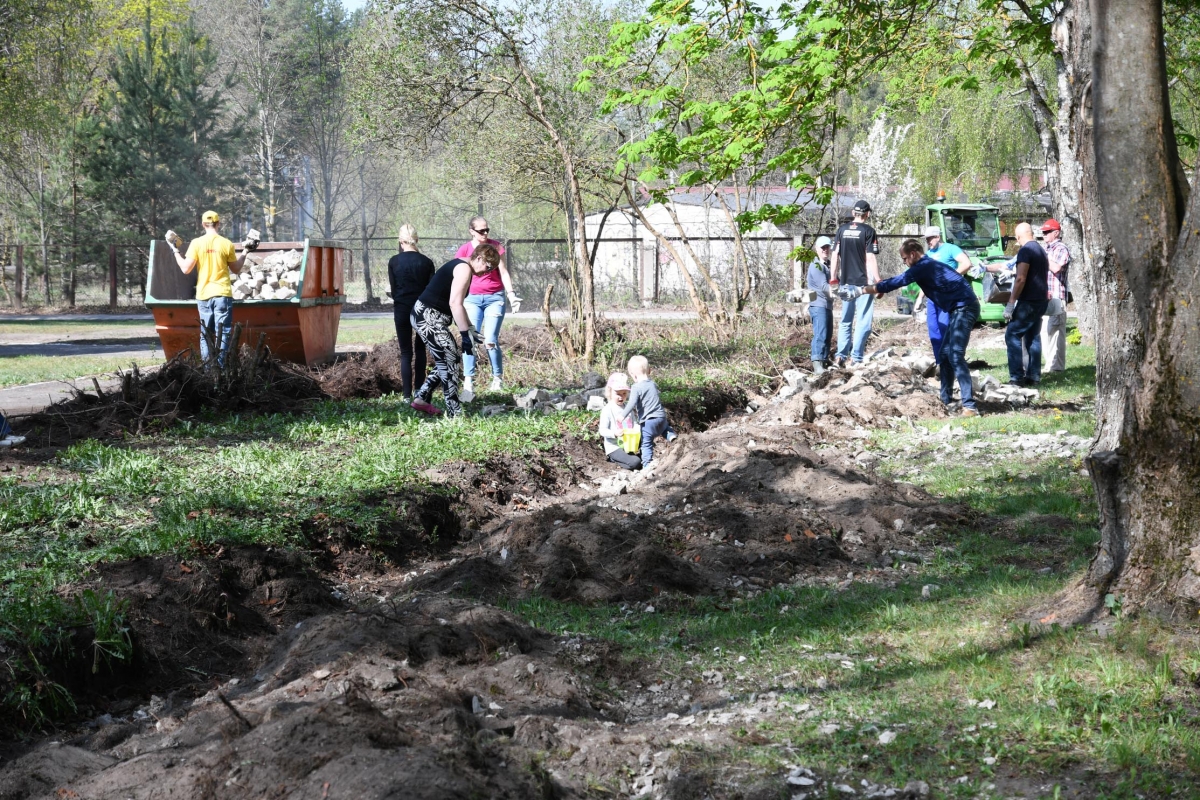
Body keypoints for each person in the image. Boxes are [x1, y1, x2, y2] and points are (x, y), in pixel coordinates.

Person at [842, 238, 981, 417]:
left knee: (955, 354)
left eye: (904, 259)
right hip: (958, 308)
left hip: (965, 307)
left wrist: (860, 290)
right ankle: (945, 399)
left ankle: (970, 406)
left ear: (913, 254)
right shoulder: (927, 265)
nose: (905, 263)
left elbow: (895, 282)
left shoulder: (922, 266)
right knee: (946, 355)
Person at [409, 245, 497, 418]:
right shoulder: (464, 269)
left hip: (427, 315)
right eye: (488, 267)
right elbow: (455, 304)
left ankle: (422, 399)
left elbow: (458, 306)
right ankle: (454, 412)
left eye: (492, 270)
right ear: (479, 258)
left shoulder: (464, 265)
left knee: (450, 358)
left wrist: (469, 327)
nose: (487, 272)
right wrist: (464, 336)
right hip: (428, 317)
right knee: (450, 360)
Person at [168, 210, 254, 366]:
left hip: (203, 294)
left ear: (203, 224)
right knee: (224, 333)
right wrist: (246, 251)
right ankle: (220, 369)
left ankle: (208, 371)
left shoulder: (197, 243)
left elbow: (186, 269)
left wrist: (175, 250)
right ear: (218, 224)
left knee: (206, 334)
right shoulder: (226, 243)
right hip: (222, 294)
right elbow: (236, 268)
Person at [455, 217, 522, 393]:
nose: (485, 233)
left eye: (487, 230)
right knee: (470, 339)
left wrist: (512, 295)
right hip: (472, 299)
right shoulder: (465, 249)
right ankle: (468, 382)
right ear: (471, 231)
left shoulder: (496, 247)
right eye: (481, 230)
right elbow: (459, 275)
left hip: (495, 297)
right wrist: (457, 299)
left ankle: (497, 380)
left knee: (490, 340)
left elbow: (504, 272)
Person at [829, 199, 881, 367]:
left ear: (853, 213)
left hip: (845, 282)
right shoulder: (868, 231)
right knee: (863, 320)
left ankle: (840, 356)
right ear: (867, 214)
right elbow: (870, 257)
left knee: (846, 320)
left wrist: (833, 278)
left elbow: (835, 254)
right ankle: (856, 358)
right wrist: (878, 280)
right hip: (863, 283)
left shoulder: (842, 230)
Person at [387, 224, 436, 400]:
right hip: (422, 310)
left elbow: (393, 290)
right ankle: (420, 392)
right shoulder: (427, 262)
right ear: (417, 240)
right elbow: (431, 290)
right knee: (421, 350)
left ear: (400, 241)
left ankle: (407, 395)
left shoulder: (393, 261)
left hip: (401, 308)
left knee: (406, 352)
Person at [920, 225, 979, 361]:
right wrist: (919, 298)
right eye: (926, 239)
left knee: (944, 328)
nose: (928, 242)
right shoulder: (928, 255)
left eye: (930, 239)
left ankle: (950, 363)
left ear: (937, 237)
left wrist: (950, 277)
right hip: (932, 298)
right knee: (933, 330)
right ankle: (940, 362)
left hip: (947, 298)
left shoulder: (950, 249)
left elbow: (966, 263)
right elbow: (926, 280)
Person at [1004, 222, 1050, 387]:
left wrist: (1011, 302)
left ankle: (1016, 377)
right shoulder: (1041, 250)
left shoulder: (1025, 250)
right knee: (1032, 336)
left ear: (1018, 237)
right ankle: (1033, 376)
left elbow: (1021, 278)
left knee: (1012, 334)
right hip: (1041, 299)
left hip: (1028, 301)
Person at [623, 355, 676, 466]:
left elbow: (631, 403)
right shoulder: (653, 384)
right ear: (650, 370)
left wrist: (622, 416)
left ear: (632, 374)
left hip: (648, 422)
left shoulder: (636, 387)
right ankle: (672, 436)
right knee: (665, 428)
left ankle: (647, 464)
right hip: (661, 417)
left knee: (646, 443)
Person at [1039, 218, 1071, 373]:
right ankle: (1049, 366)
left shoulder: (1061, 248)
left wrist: (1042, 256)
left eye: (1047, 232)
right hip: (1046, 297)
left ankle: (1057, 369)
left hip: (1057, 297)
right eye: (1043, 232)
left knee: (1056, 333)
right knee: (1045, 332)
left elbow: (1057, 268)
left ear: (1056, 233)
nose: (1044, 235)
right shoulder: (1046, 248)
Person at [599, 372, 642, 470]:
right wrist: (614, 433)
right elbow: (602, 430)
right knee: (636, 462)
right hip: (614, 447)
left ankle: (638, 457)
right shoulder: (607, 410)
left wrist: (638, 428)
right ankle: (614, 460)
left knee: (646, 436)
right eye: (617, 394)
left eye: (624, 394)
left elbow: (634, 423)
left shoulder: (627, 407)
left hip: (629, 443)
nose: (621, 397)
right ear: (610, 392)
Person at [807, 236, 834, 374]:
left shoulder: (828, 265)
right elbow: (824, 286)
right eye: (822, 247)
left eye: (827, 247)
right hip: (818, 305)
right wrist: (838, 291)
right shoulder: (816, 265)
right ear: (817, 249)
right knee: (820, 334)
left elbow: (836, 281)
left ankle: (824, 359)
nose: (825, 250)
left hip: (827, 305)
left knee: (828, 334)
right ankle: (817, 362)